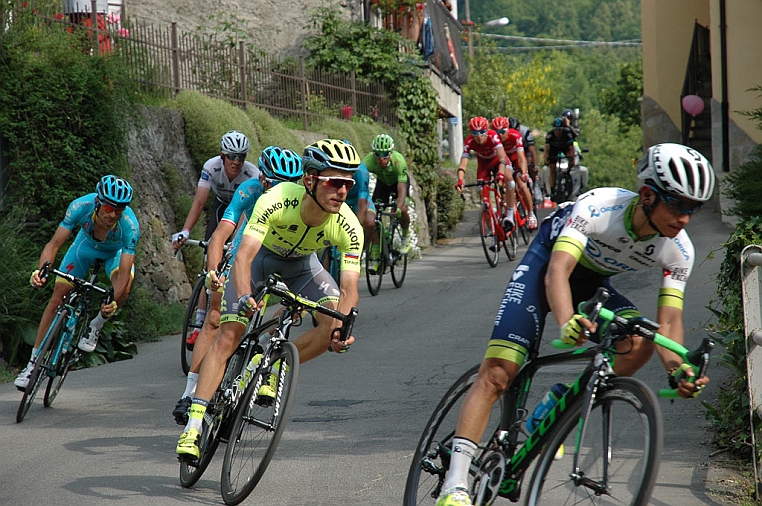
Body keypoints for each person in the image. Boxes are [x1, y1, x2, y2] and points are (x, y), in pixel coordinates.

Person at [435, 143, 716, 506]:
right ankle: (455, 484)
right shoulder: (600, 207)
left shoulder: (680, 249)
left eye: (693, 209)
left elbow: (669, 321)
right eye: (678, 205)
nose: (685, 219)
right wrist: (567, 321)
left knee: (639, 342)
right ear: (647, 195)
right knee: (500, 373)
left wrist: (679, 370)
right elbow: (559, 270)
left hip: (593, 285)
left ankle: (561, 403)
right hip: (546, 267)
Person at [176, 139, 363, 461]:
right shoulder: (277, 199)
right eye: (334, 182)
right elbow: (245, 257)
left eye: (348, 183)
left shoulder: (348, 225)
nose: (342, 191)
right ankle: (193, 426)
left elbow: (348, 290)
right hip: (262, 260)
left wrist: (340, 331)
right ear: (310, 180)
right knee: (228, 336)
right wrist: (246, 295)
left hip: (304, 267)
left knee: (333, 321)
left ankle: (276, 362)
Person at [171, 146, 303, 424]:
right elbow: (220, 236)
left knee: (287, 310)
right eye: (275, 185)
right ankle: (189, 392)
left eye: (288, 186)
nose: (281, 192)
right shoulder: (249, 190)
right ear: (264, 180)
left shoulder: (301, 201)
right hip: (245, 254)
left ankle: (261, 363)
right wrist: (212, 273)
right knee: (215, 317)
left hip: (277, 260)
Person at [15, 175, 140, 389]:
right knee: (57, 299)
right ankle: (32, 364)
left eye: (119, 211)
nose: (113, 215)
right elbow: (54, 244)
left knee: (125, 285)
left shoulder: (130, 225)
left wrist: (112, 299)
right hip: (85, 246)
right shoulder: (80, 206)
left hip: (115, 252)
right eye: (109, 209)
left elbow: (125, 271)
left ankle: (96, 325)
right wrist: (42, 270)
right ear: (98, 203)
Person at [172, 130, 259, 348]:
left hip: (242, 213)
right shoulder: (212, 167)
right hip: (221, 208)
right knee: (209, 265)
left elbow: (245, 212)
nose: (237, 162)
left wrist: (235, 241)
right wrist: (186, 230)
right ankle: (198, 325)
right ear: (222, 156)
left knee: (232, 256)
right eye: (232, 156)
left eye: (241, 157)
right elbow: (200, 202)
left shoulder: (252, 174)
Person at [455, 116, 514, 231]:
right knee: (484, 199)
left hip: (498, 161)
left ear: (487, 131)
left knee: (509, 179)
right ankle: (493, 233)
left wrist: (501, 173)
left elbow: (502, 157)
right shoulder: (469, 141)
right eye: (475, 133)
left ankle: (510, 215)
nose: (479, 136)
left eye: (482, 132)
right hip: (484, 165)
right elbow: (463, 164)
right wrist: (460, 180)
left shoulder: (493, 136)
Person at [362, 134, 411, 257]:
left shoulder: (398, 161)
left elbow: (402, 187)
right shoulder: (368, 161)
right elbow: (358, 178)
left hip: (398, 185)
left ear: (390, 153)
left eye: (385, 155)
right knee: (372, 215)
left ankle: (405, 236)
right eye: (377, 154)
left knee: (402, 209)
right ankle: (376, 248)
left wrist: (399, 207)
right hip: (382, 185)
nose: (381, 159)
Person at [491, 117, 537, 230]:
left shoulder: (515, 135)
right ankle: (507, 207)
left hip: (516, 159)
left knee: (521, 184)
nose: (500, 135)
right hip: (503, 162)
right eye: (497, 132)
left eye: (503, 131)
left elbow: (522, 157)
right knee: (502, 183)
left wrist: (524, 172)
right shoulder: (493, 139)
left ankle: (531, 214)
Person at [544, 117, 576, 201]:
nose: (557, 132)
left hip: (565, 148)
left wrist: (571, 159)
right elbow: (547, 149)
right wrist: (546, 158)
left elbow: (571, 148)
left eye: (559, 130)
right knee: (552, 168)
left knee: (571, 161)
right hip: (554, 149)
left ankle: (567, 174)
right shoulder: (550, 135)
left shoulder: (567, 134)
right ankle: (552, 189)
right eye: (556, 129)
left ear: (563, 129)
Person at [508, 117, 540, 200]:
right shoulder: (505, 133)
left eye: (516, 130)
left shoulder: (525, 132)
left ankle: (535, 185)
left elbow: (532, 150)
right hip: (512, 150)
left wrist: (535, 165)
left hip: (525, 149)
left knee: (529, 164)